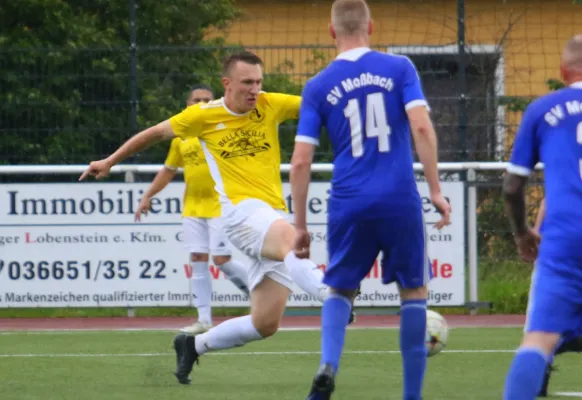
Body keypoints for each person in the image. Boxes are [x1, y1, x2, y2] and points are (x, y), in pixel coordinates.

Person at [79, 50, 356, 386]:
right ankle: (334, 299)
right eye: (246, 83)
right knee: (291, 241)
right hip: (241, 215)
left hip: (270, 215)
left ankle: (194, 344)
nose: (254, 89)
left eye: (258, 82)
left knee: (265, 323)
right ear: (227, 84)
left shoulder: (270, 104)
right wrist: (110, 161)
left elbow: (320, 107)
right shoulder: (202, 116)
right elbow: (154, 133)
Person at [289, 1, 451, 399]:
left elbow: (300, 161)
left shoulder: (317, 86)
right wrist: (435, 189)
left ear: (331, 31)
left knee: (340, 289)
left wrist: (299, 225)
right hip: (398, 197)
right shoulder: (400, 69)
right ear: (371, 27)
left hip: (348, 199)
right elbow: (421, 127)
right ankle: (411, 395)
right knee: (414, 291)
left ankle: (329, 363)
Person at [502, 34, 582, 400]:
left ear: (563, 71)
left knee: (537, 339)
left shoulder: (542, 109)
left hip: (563, 238)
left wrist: (523, 234)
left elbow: (512, 188)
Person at [135, 84, 250, 335]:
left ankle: (259, 294)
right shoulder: (181, 137)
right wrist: (147, 195)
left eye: (206, 100)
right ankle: (204, 320)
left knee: (221, 260)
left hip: (221, 205)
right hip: (192, 207)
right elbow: (168, 170)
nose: (200, 103)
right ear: (187, 104)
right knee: (198, 258)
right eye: (196, 99)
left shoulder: (223, 130)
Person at [531, 198, 582, 397]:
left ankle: (555, 348)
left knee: (548, 317)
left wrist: (536, 230)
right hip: (563, 244)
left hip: (558, 245)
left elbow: (548, 199)